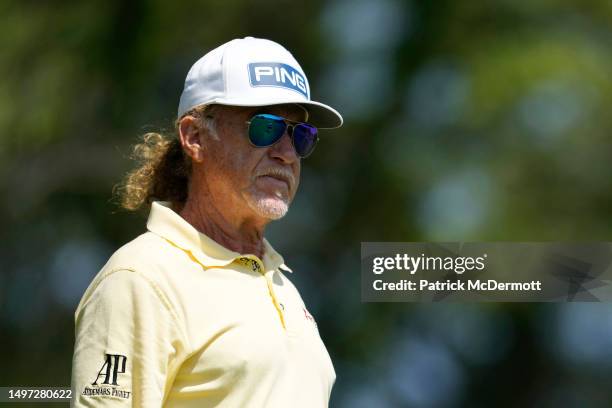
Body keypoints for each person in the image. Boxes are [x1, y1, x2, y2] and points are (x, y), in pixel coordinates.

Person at [70, 37, 343, 407]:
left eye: (300, 135)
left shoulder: (283, 285)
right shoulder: (140, 278)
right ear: (195, 137)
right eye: (265, 128)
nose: (286, 153)